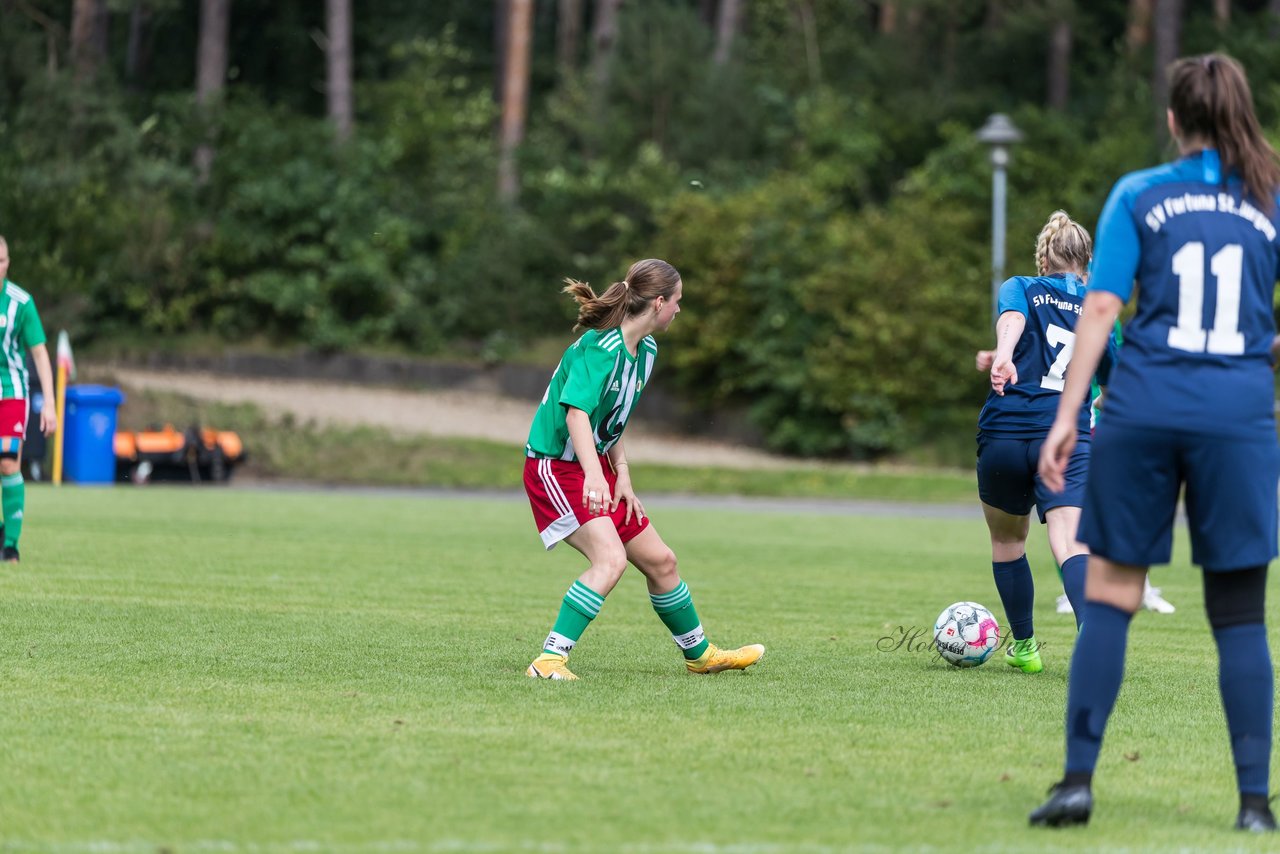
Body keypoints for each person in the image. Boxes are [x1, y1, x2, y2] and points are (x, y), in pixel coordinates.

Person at [1032, 54, 1280, 832]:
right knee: (1239, 615)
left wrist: (1069, 414)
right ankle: (1250, 805)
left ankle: (1076, 783)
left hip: (1143, 409)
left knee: (1110, 597)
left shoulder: (1139, 192)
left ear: (1174, 119)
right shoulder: (1272, 197)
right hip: (1238, 416)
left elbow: (1101, 308)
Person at [523, 258, 765, 681]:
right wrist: (596, 476)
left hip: (594, 465)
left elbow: (613, 421)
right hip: (555, 467)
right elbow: (577, 415)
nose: (679, 310)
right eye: (678, 301)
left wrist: (622, 474)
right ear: (658, 302)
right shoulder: (602, 347)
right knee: (610, 559)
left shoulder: (646, 351)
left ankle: (700, 655)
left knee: (661, 561)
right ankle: (548, 661)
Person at [974, 211, 1115, 674]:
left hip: (1005, 433)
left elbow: (1012, 318)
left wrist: (1004, 357)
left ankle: (1026, 648)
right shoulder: (1100, 306)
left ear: (1043, 258)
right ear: (1086, 263)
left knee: (1007, 542)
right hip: (1064, 438)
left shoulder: (1020, 286)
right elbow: (1112, 381)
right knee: (1071, 542)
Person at [0, 236, 57, 563]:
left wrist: (49, 403)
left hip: (12, 391)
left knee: (8, 461)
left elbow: (38, 352)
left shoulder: (21, 302)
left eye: (3, 260)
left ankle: (11, 546)